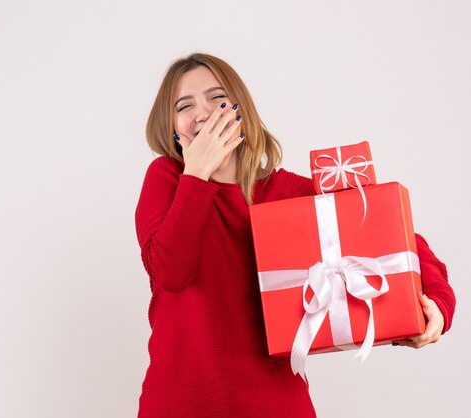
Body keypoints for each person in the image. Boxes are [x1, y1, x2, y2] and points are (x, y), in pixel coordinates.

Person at [134, 52, 456, 418]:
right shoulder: (166, 180)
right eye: (184, 106)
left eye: (217, 98)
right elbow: (171, 273)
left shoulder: (285, 193)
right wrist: (197, 175)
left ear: (241, 111)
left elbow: (396, 235)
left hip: (274, 403)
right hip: (178, 404)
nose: (204, 113)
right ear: (172, 127)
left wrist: (438, 308)